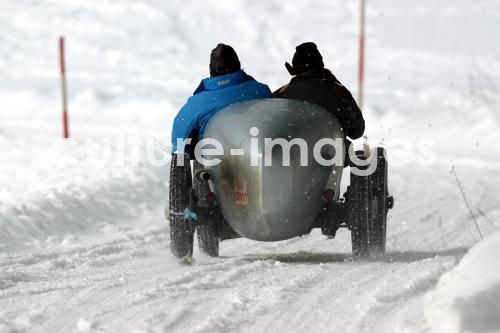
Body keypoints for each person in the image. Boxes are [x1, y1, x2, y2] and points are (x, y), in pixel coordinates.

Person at [171, 43, 272, 152]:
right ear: (238, 64)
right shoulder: (260, 90)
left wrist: (184, 151)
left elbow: (178, 136)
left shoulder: (198, 103)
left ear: (211, 70)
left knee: (182, 152)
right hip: (259, 148)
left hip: (216, 155)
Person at [274, 42, 365, 140]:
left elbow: (270, 128)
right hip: (333, 153)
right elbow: (357, 131)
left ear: (294, 69)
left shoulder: (283, 95)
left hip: (291, 152)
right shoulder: (338, 91)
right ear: (320, 65)